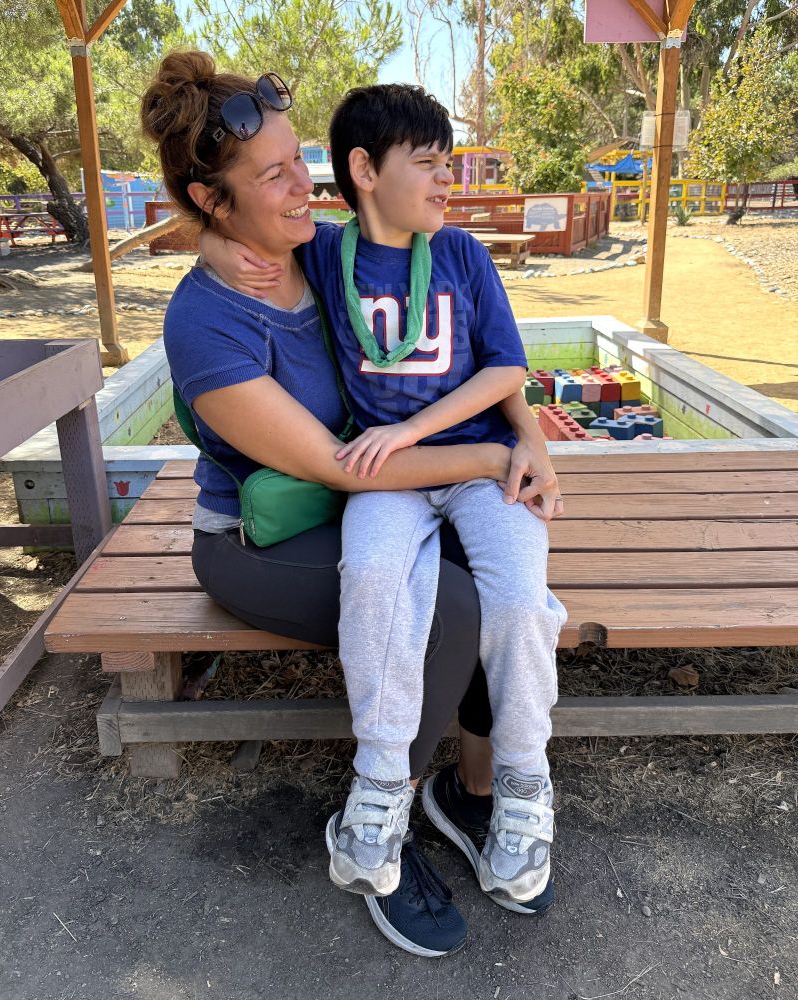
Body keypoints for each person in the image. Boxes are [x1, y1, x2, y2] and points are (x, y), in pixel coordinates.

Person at [141, 51, 563, 959]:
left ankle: (479, 790)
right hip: (261, 537)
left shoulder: (316, 249)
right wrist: (489, 453)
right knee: (446, 608)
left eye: (303, 161)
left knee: (496, 578)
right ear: (215, 202)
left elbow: (446, 303)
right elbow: (342, 469)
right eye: (274, 176)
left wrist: (523, 434)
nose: (306, 187)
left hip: (378, 492)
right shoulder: (207, 321)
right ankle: (384, 827)